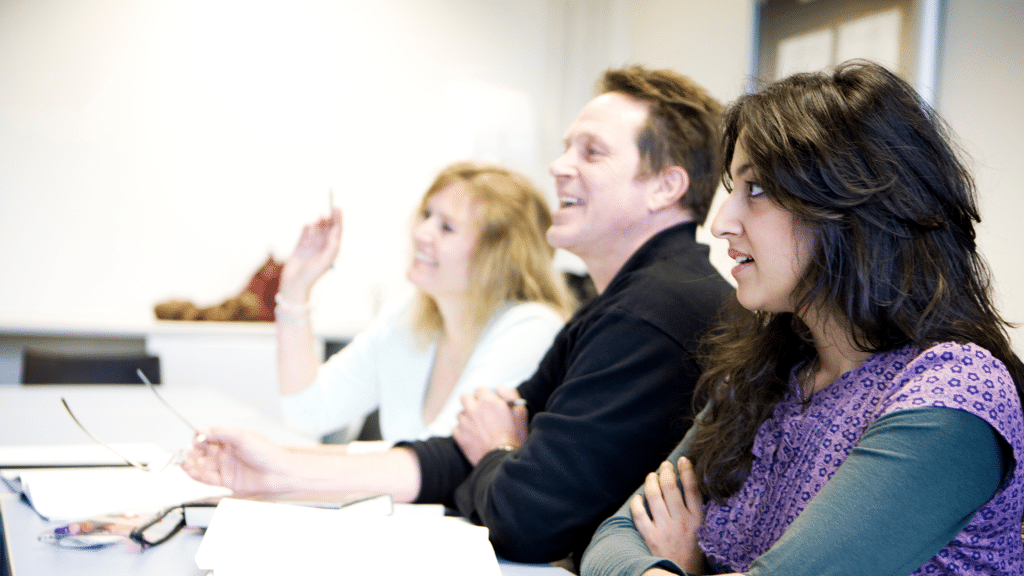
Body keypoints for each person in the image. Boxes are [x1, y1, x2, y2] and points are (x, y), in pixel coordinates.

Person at [182, 65, 734, 566]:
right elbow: (458, 458)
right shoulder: (620, 305)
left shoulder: (652, 313)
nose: (558, 165)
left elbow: (524, 515)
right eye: (567, 148)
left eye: (591, 152)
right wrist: (277, 473)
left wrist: (498, 452)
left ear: (666, 186)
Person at [581, 60, 1024, 576]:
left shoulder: (954, 391)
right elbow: (613, 540)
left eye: (757, 190)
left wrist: (685, 564)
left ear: (850, 206)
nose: (722, 223)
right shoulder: (766, 373)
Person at [273, 161, 572, 444]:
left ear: (500, 259)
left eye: (447, 227)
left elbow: (439, 456)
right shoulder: (406, 321)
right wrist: (295, 288)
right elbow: (309, 412)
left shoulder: (531, 328)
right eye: (427, 215)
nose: (421, 233)